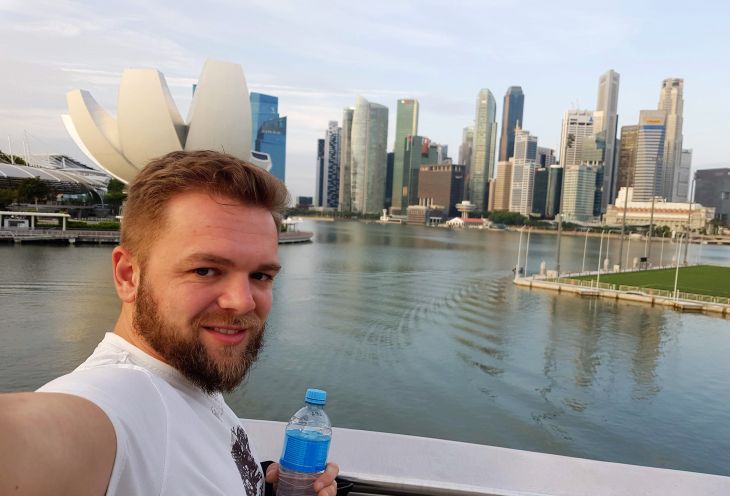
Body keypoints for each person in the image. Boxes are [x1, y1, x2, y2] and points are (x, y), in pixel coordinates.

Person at [0, 150, 339, 495]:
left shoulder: (186, 377)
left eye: (261, 275)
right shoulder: (119, 398)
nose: (243, 301)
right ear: (128, 275)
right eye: (205, 270)